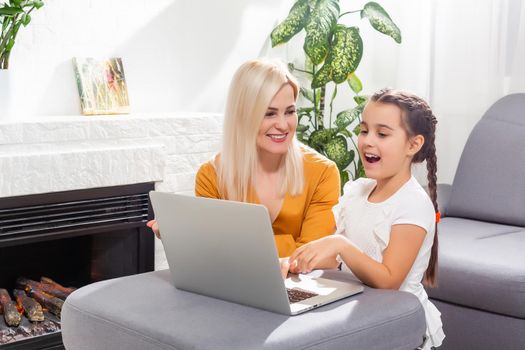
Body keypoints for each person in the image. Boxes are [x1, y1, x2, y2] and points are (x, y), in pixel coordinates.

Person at [285, 88, 445, 349]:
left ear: (413, 145)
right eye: (363, 130)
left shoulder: (413, 204)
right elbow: (330, 259)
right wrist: (292, 262)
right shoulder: (358, 190)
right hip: (358, 304)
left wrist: (340, 244)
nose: (368, 141)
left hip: (393, 317)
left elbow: (389, 280)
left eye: (382, 134)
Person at [149, 58, 340, 260]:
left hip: (301, 288)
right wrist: (183, 235)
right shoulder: (212, 175)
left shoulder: (322, 173)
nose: (283, 125)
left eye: (290, 112)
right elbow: (211, 255)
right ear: (243, 115)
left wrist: (227, 243)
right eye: (269, 113)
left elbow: (315, 257)